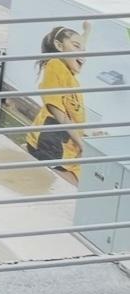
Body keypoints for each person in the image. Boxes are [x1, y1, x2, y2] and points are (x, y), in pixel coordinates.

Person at [25, 21, 91, 184]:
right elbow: (60, 117)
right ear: (59, 46)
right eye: (76, 46)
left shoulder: (69, 73)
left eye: (83, 50)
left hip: (64, 145)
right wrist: (83, 145)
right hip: (51, 144)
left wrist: (87, 31)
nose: (82, 54)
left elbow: (78, 45)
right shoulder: (55, 65)